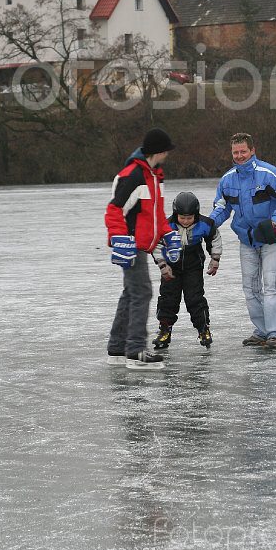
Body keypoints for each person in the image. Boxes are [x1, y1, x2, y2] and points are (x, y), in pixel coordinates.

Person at [210, 132, 276, 351]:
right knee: (250, 289)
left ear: (252, 151)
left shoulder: (268, 173)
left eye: (243, 151)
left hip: (272, 238)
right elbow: (221, 208)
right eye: (235, 152)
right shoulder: (227, 179)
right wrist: (207, 225)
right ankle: (262, 331)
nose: (239, 156)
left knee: (272, 286)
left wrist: (275, 221)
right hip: (246, 240)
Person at [105, 127, 175, 370]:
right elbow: (115, 210)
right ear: (159, 151)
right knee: (142, 292)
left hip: (143, 243)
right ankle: (135, 350)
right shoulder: (134, 175)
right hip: (131, 244)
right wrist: (119, 240)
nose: (167, 155)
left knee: (131, 293)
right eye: (166, 151)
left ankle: (117, 347)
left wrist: (169, 234)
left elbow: (155, 215)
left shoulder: (156, 176)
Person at [152, 192, 222, 350]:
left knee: (195, 298)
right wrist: (163, 265)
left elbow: (214, 238)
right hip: (171, 266)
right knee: (168, 299)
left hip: (193, 266)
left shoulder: (205, 224)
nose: (185, 221)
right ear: (175, 213)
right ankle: (165, 330)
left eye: (189, 218)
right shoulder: (166, 225)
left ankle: (203, 329)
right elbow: (156, 244)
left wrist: (215, 258)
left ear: (196, 214)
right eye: (182, 217)